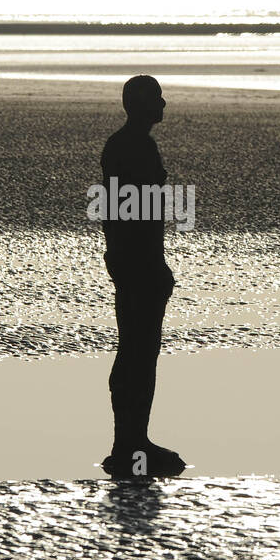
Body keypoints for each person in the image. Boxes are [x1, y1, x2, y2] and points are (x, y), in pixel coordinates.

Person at [99, 75, 185, 478]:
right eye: (158, 98)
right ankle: (130, 443)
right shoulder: (136, 147)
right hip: (139, 261)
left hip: (125, 256)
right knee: (139, 350)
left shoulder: (120, 145)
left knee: (134, 348)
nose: (164, 104)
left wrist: (115, 251)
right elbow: (142, 214)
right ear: (142, 105)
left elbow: (110, 209)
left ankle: (132, 440)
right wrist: (154, 263)